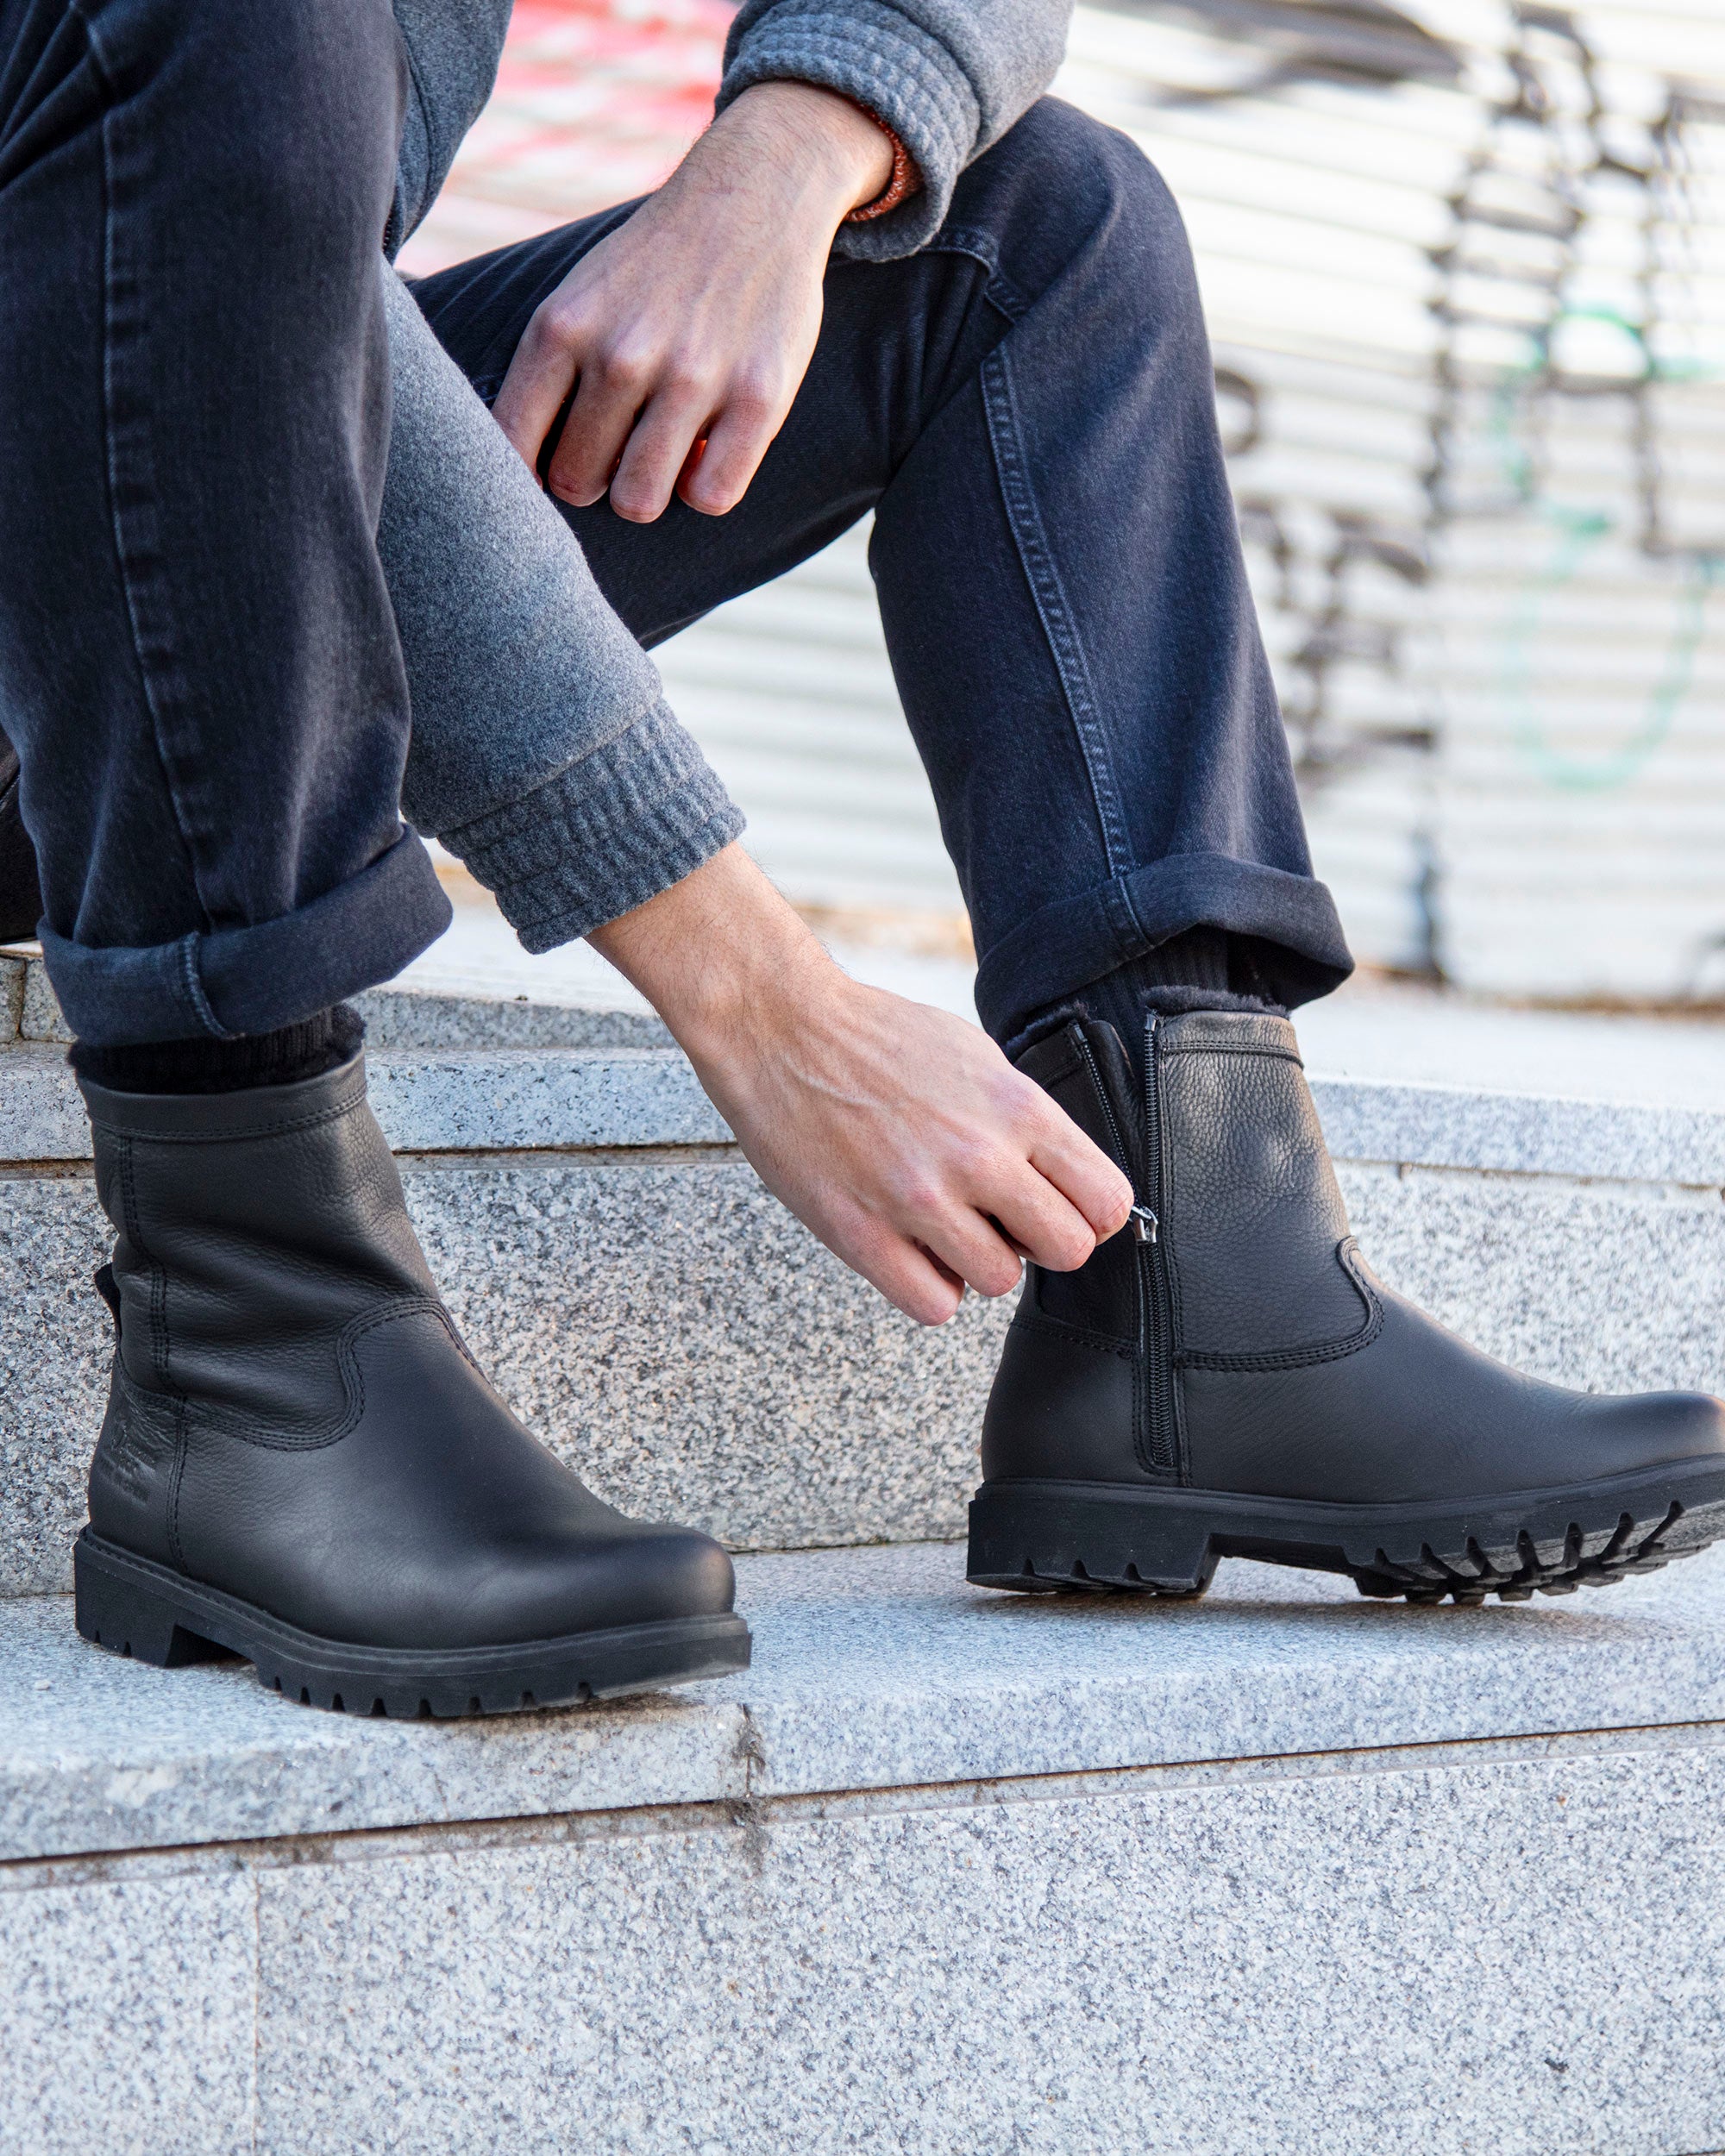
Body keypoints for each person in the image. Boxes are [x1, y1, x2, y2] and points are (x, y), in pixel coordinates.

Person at [3, 0, 1721, 1720]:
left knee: (1031, 219)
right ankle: (254, 1356)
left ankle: (1207, 1283)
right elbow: (163, 258)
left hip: (179, 438)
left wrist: (799, 147)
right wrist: (765, 996)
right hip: (68, 557)